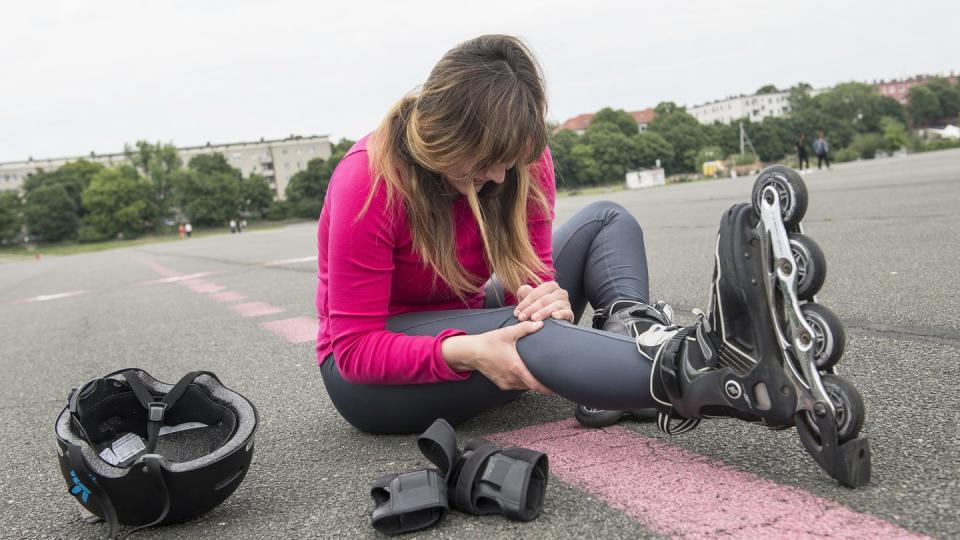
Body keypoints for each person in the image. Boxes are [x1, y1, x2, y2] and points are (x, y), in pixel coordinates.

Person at [314, 35, 830, 441]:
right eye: (485, 162)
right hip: (371, 376)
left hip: (468, 317)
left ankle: (630, 339)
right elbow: (356, 348)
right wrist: (471, 351)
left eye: (509, 162)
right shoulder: (369, 180)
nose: (498, 176)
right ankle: (697, 370)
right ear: (444, 136)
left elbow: (533, 276)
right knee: (527, 334)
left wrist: (546, 295)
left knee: (607, 221)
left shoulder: (521, 156)